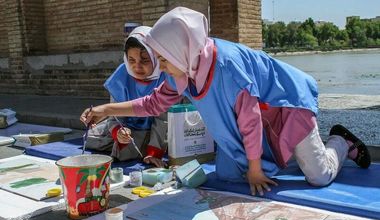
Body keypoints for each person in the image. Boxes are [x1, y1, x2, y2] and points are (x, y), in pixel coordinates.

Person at [81, 7, 371, 195]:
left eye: (162, 59)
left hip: (286, 105)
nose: (160, 66)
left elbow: (250, 120)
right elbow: (152, 104)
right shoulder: (183, 68)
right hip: (261, 115)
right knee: (229, 174)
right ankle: (291, 151)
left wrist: (255, 169)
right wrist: (104, 110)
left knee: (318, 177)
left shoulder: (227, 67)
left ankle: (340, 143)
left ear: (179, 49)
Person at [85, 26, 167, 168]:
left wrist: (154, 152)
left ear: (156, 57)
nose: (137, 67)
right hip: (130, 133)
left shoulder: (165, 75)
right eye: (131, 60)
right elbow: (114, 116)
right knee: (97, 137)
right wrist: (119, 132)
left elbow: (163, 121)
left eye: (145, 60)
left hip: (159, 134)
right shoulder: (122, 75)